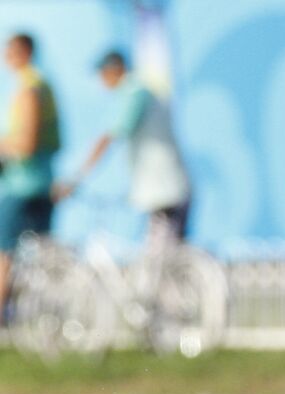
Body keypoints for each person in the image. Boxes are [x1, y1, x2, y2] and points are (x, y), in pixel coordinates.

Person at [53, 50, 191, 247]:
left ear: (115, 70)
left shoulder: (134, 91)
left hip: (164, 189)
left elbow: (110, 137)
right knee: (168, 257)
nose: (102, 81)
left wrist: (76, 177)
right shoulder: (142, 90)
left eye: (103, 74)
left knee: (158, 257)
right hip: (168, 187)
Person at [0, 33, 61, 318]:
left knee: (5, 254)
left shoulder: (29, 88)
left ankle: (3, 317)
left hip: (22, 185)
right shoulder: (42, 86)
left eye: (9, 52)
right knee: (42, 255)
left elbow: (25, 144)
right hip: (43, 182)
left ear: (23, 52)